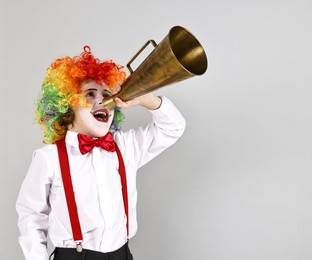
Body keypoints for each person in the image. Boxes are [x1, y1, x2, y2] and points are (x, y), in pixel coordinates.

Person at [16, 46, 186, 260]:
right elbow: (31, 216)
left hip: (121, 255)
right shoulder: (48, 158)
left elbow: (173, 127)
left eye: (107, 95)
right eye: (90, 94)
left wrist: (144, 98)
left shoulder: (126, 147)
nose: (102, 102)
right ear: (66, 106)